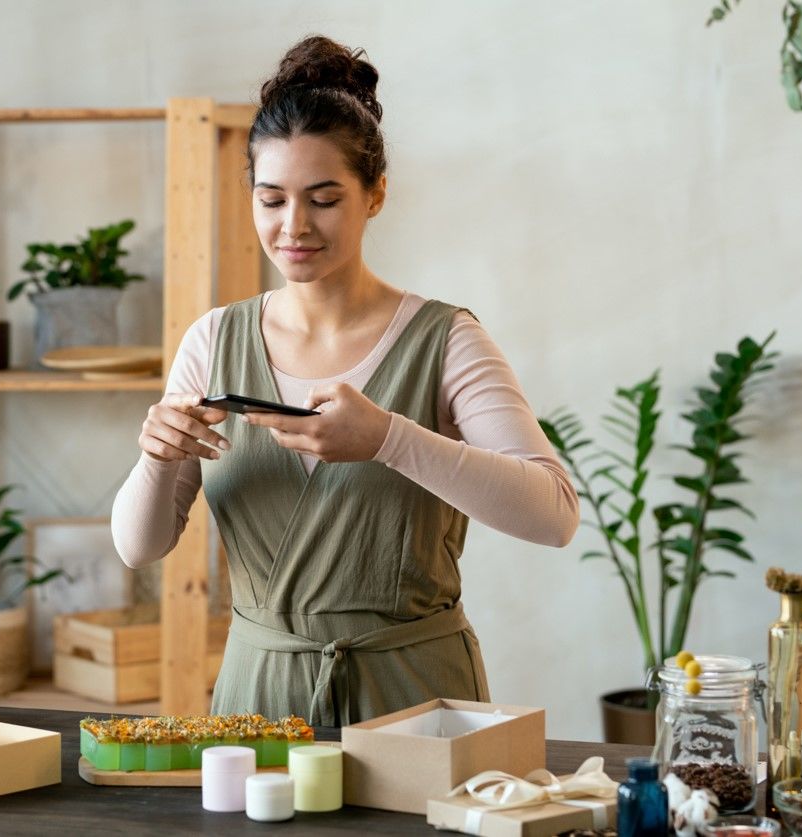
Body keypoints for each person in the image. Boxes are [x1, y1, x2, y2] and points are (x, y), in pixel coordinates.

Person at [111, 35, 578, 727]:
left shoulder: (446, 339)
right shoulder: (212, 341)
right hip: (259, 707)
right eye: (270, 200)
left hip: (416, 705)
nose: (293, 226)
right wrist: (157, 454)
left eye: (323, 198)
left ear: (375, 195)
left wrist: (389, 437)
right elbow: (139, 546)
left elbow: (554, 513)